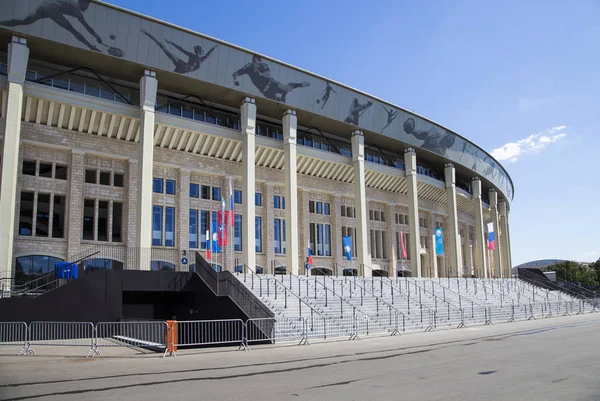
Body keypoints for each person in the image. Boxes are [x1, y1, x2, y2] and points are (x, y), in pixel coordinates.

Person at [0, 0, 102, 52]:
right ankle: (90, 47)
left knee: (24, 21)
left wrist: (96, 37)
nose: (87, 8)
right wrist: (95, 38)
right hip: (52, 9)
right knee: (72, 30)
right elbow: (86, 27)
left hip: (44, 5)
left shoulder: (73, 4)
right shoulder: (76, 10)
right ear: (82, 2)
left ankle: (2, 22)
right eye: (87, 5)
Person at [232, 55, 310, 103]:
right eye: (257, 60)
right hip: (265, 90)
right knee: (279, 101)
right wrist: (236, 80)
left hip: (272, 83)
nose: (259, 62)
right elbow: (235, 73)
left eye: (260, 60)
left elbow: (268, 75)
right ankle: (284, 95)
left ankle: (298, 85)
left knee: (285, 88)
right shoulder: (249, 67)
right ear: (254, 59)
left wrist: (260, 73)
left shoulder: (263, 65)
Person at [141, 29, 218, 74]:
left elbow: (208, 55)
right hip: (182, 65)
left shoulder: (200, 60)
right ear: (197, 51)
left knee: (166, 51)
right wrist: (171, 43)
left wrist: (213, 48)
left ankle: (148, 34)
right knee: (166, 50)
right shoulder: (192, 55)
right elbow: (181, 49)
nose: (201, 53)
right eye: (200, 52)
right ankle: (148, 34)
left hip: (183, 68)